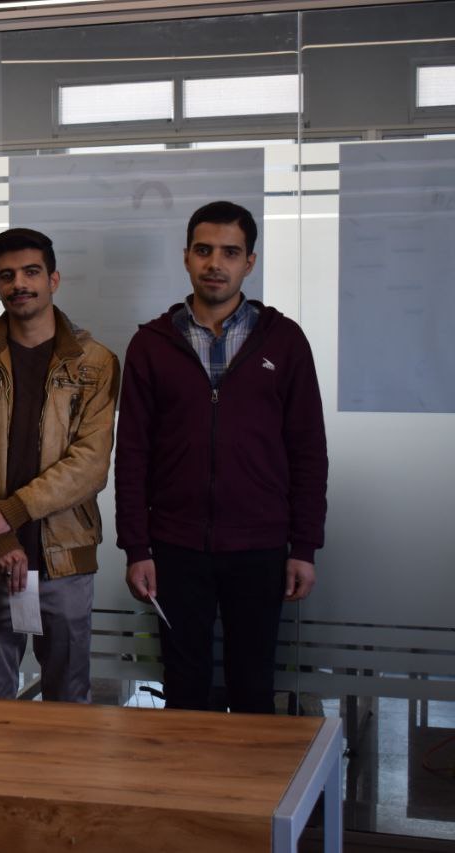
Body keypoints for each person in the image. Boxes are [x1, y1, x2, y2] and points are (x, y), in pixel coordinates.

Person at [116, 200, 328, 713]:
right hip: (175, 546)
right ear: (186, 256)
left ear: (249, 262)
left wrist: (304, 546)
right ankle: (189, 770)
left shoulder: (285, 341)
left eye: (230, 252)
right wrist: (136, 548)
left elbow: (308, 451)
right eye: (204, 250)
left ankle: (250, 771)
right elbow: (133, 455)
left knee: (253, 685)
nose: (216, 263)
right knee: (184, 686)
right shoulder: (151, 344)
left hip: (259, 546)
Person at [0, 228, 118, 701]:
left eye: (31, 272)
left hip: (64, 555)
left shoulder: (97, 363)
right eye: (7, 275)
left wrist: (10, 514)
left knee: (68, 701)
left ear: (53, 279)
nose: (19, 283)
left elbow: (90, 465)